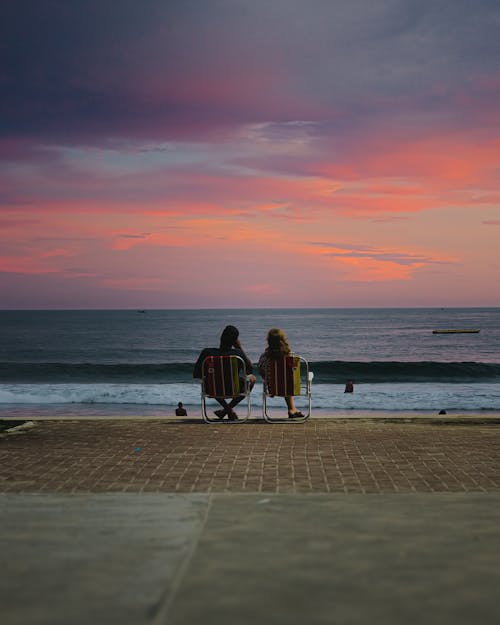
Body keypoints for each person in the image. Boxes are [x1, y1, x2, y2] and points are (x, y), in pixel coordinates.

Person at [193, 325, 256, 420]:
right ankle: (228, 409)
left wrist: (209, 375)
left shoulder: (207, 353)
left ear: (221, 337)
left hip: (212, 390)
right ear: (235, 341)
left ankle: (226, 410)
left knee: (211, 381)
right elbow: (249, 370)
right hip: (235, 389)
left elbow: (196, 374)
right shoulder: (238, 353)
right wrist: (239, 348)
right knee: (253, 379)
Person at [258, 328, 304, 419]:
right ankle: (292, 409)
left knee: (282, 379)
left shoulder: (264, 357)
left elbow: (261, 370)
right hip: (291, 387)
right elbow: (294, 372)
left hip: (272, 387)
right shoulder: (291, 356)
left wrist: (267, 380)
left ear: (269, 341)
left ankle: (292, 409)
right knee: (287, 378)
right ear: (283, 340)